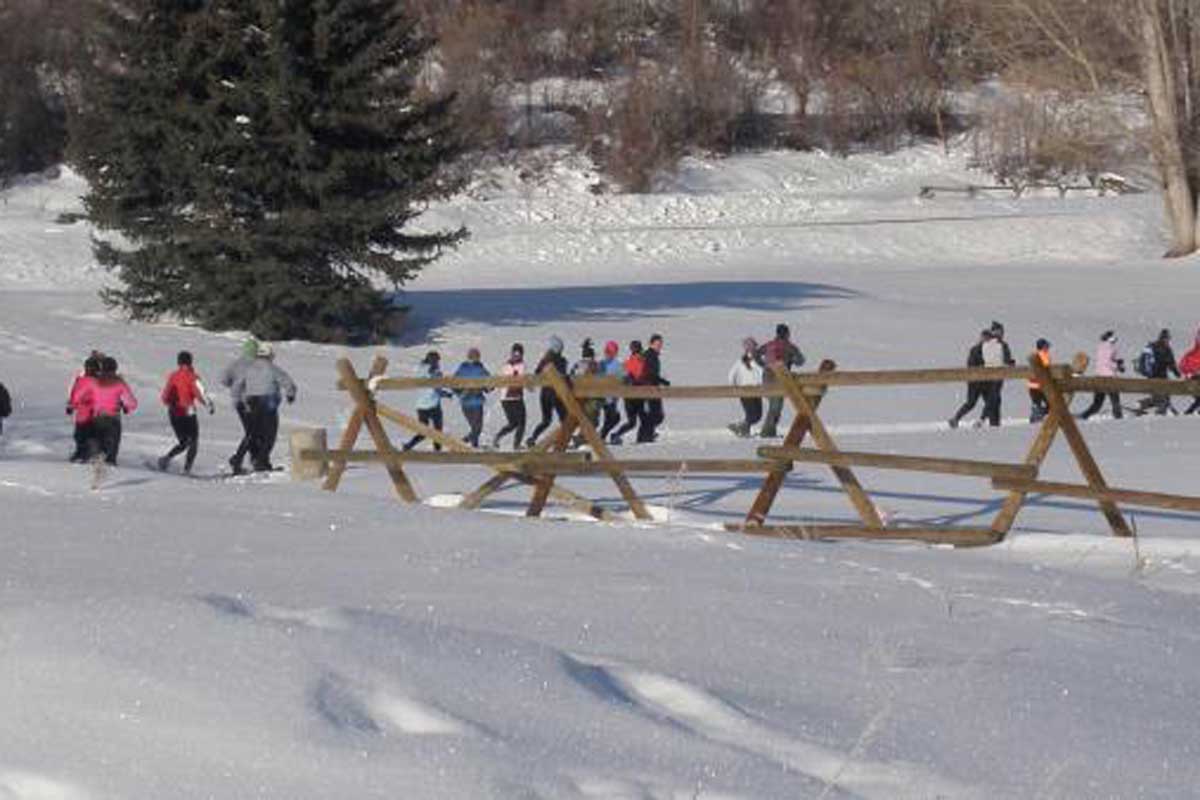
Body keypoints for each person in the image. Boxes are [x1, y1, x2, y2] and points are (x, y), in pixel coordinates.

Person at [231, 342, 297, 472]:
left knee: (252, 434)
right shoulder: (272, 368)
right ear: (270, 355)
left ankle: (237, 459)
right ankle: (261, 462)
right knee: (269, 435)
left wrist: (239, 399)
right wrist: (290, 395)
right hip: (268, 403)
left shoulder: (248, 369)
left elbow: (237, 385)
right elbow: (287, 381)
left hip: (251, 402)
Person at [157, 351, 215, 473]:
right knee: (193, 441)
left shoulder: (173, 376)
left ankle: (166, 459)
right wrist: (209, 405)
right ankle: (187, 469)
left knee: (183, 442)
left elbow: (165, 396)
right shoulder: (193, 377)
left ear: (178, 362)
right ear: (190, 362)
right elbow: (201, 393)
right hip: (189, 412)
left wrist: (171, 404)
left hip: (174, 412)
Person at [75, 356, 138, 465]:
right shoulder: (119, 383)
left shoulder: (94, 382)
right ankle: (109, 464)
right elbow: (132, 403)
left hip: (97, 418)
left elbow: (79, 397)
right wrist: (125, 406)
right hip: (113, 419)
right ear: (115, 368)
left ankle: (94, 465)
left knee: (98, 447)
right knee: (111, 451)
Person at [756, 323, 805, 438]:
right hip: (781, 379)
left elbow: (756, 354)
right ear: (787, 334)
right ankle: (767, 432)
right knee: (776, 406)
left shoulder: (769, 345)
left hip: (767, 378)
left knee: (774, 405)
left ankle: (769, 431)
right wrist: (791, 360)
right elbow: (801, 361)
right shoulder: (790, 347)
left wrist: (763, 364)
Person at [220, 338, 260, 473]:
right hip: (249, 403)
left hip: (238, 402)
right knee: (252, 432)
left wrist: (234, 386)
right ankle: (238, 460)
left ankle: (254, 460)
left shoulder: (235, 363)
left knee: (252, 432)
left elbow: (223, 380)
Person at [403, 351, 451, 451]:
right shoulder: (435, 372)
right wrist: (447, 394)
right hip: (433, 404)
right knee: (437, 430)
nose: (438, 363)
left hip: (421, 405)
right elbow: (437, 389)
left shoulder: (420, 370)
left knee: (423, 431)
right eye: (437, 360)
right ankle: (437, 451)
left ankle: (408, 446)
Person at [525, 336, 568, 447]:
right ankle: (562, 439)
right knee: (564, 418)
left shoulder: (545, 360)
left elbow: (537, 374)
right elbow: (563, 376)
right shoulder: (560, 361)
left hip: (546, 394)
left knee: (546, 420)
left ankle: (533, 437)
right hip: (556, 394)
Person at [1079, 331, 1125, 420]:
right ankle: (1118, 417)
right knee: (1115, 400)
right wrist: (1117, 365)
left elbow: (1104, 361)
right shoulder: (1109, 347)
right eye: (1113, 337)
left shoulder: (1101, 347)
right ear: (1109, 338)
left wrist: (1117, 363)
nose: (1115, 339)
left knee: (1098, 402)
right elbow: (1107, 362)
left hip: (1099, 376)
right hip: (1109, 377)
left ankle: (1085, 416)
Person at [948, 330, 990, 429]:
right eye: (984, 338)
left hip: (985, 381)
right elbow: (971, 364)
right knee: (971, 403)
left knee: (990, 402)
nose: (985, 340)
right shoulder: (975, 350)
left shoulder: (989, 350)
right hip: (975, 381)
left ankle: (981, 421)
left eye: (987, 338)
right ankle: (956, 418)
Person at [67, 352, 103, 462]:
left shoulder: (85, 381)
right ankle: (91, 453)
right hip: (94, 414)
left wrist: (72, 405)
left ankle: (83, 453)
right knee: (90, 435)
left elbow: (77, 395)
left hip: (86, 413)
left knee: (82, 435)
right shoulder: (100, 381)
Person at [1135, 328, 1180, 416]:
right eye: (1167, 338)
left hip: (1152, 376)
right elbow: (1170, 362)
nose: (1168, 340)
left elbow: (1169, 362)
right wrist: (1176, 372)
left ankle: (1143, 404)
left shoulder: (1153, 346)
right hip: (1160, 376)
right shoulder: (1166, 349)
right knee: (1162, 397)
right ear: (1164, 338)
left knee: (1160, 397)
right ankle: (1158, 413)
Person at [608, 340, 645, 445]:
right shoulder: (636, 361)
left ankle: (616, 435)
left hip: (631, 395)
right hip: (633, 395)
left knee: (635, 421)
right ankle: (616, 435)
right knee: (636, 421)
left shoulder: (630, 362)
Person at [453, 347, 491, 448]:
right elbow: (453, 383)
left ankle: (473, 445)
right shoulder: (464, 368)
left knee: (476, 427)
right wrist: (460, 392)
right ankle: (466, 442)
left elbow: (489, 381)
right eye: (474, 356)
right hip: (469, 401)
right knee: (476, 427)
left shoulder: (479, 367)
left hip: (475, 401)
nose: (476, 358)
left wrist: (488, 388)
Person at [493, 343, 527, 450]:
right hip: (509, 398)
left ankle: (502, 439)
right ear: (511, 353)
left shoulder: (519, 365)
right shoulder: (509, 366)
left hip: (515, 397)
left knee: (516, 423)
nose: (516, 356)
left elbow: (522, 379)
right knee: (517, 423)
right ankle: (513, 444)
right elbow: (513, 377)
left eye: (519, 354)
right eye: (515, 354)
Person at [728, 337, 764, 437]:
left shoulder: (759, 360)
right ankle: (740, 427)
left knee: (757, 415)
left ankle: (743, 430)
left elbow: (761, 374)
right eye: (754, 347)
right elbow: (732, 374)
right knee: (753, 415)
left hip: (756, 390)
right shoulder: (742, 361)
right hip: (745, 390)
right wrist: (734, 386)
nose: (755, 348)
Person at [637, 333, 670, 443]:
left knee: (654, 414)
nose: (659, 346)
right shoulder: (650, 355)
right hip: (649, 387)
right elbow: (650, 373)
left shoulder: (652, 355)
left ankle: (646, 434)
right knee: (656, 415)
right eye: (657, 344)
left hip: (652, 386)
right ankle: (645, 435)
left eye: (660, 344)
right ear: (651, 344)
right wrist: (662, 381)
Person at [979, 323, 1013, 427]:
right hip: (998, 373)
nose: (1002, 333)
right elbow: (1006, 359)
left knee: (993, 397)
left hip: (986, 373)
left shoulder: (985, 343)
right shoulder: (1001, 344)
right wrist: (1011, 363)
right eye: (1001, 331)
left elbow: (982, 358)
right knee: (994, 397)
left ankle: (993, 421)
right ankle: (986, 419)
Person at [570, 338, 602, 437]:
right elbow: (599, 379)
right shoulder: (594, 365)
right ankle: (583, 436)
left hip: (578, 395)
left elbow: (571, 377)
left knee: (582, 417)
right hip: (591, 396)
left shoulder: (577, 364)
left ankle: (582, 435)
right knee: (592, 419)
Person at [597, 340, 626, 440]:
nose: (609, 354)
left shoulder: (614, 364)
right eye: (608, 351)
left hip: (610, 397)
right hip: (606, 397)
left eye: (611, 352)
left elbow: (624, 378)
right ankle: (601, 436)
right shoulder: (602, 364)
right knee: (613, 417)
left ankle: (601, 436)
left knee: (611, 418)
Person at [1028, 338, 1052, 423]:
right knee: (1050, 403)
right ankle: (1038, 414)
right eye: (1046, 346)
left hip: (1033, 385)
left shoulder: (1035, 355)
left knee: (1037, 402)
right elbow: (1046, 369)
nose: (1048, 348)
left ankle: (1037, 414)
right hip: (1040, 385)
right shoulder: (1043, 355)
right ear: (1043, 347)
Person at [1181, 328, 1200, 414]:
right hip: (1194, 381)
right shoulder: (1192, 354)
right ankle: (1189, 413)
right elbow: (1183, 366)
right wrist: (1192, 372)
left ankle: (1189, 413)